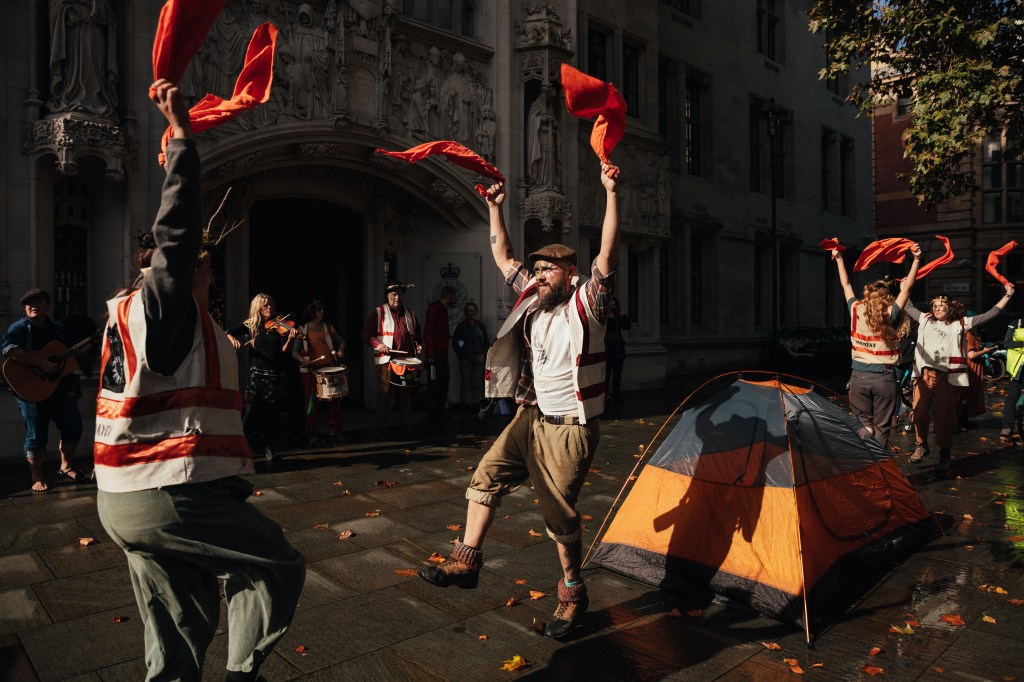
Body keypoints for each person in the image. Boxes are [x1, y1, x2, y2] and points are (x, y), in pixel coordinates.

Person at [93, 79, 304, 681]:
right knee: (275, 566)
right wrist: (183, 139)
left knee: (178, 619)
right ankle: (242, 676)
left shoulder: (130, 315)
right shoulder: (167, 308)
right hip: (168, 493)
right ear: (192, 268)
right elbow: (178, 237)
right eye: (199, 266)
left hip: (124, 498)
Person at [419, 161, 620, 640]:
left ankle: (573, 592)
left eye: (549, 269)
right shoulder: (533, 300)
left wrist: (610, 192)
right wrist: (494, 209)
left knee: (558, 518)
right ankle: (466, 563)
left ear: (571, 273)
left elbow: (608, 253)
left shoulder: (587, 304)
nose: (539, 274)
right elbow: (503, 256)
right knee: (484, 476)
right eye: (539, 269)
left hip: (570, 427)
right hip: (530, 418)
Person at [905, 282, 1015, 473]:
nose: (938, 309)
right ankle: (921, 444)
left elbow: (991, 314)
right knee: (919, 413)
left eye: (942, 306)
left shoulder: (962, 323)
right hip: (924, 375)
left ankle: (944, 453)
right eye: (935, 306)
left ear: (950, 308)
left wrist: (1008, 295)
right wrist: (906, 285)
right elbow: (907, 306)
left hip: (948, 378)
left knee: (944, 417)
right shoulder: (924, 319)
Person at [832, 244, 921, 449]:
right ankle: (880, 467)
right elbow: (907, 289)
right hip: (885, 378)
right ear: (886, 298)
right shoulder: (891, 313)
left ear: (867, 295)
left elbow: (845, 285)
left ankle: (865, 458)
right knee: (882, 428)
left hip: (858, 377)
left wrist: (839, 259)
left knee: (865, 425)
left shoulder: (855, 309)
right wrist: (916, 259)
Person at [2, 288, 86, 491]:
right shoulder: (20, 327)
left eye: (38, 301)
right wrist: (41, 364)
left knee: (73, 428)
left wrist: (86, 350)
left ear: (47, 305)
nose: (33, 305)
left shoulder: (58, 329)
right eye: (29, 302)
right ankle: (36, 477)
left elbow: (69, 357)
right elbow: (9, 350)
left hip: (60, 389)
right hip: (32, 391)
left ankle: (65, 468)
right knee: (36, 435)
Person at [227, 294, 301, 460]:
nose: (270, 308)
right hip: (257, 373)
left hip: (275, 373)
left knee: (270, 412)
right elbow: (228, 332)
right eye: (266, 305)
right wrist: (233, 340)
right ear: (258, 308)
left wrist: (289, 340)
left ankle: (269, 447)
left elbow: (282, 352)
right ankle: (237, 446)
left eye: (272, 305)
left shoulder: (280, 325)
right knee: (250, 410)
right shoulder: (251, 325)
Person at [362, 281, 423, 439]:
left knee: (405, 395)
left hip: (406, 361)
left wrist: (419, 345)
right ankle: (380, 431)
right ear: (388, 296)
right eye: (394, 295)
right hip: (386, 361)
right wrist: (378, 344)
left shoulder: (410, 313)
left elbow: (417, 335)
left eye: (400, 294)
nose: (397, 297)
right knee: (385, 395)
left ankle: (407, 428)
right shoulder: (379, 312)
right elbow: (366, 334)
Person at [294, 299, 345, 446]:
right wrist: (303, 360)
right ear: (313, 313)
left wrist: (341, 350)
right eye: (320, 310)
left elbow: (341, 341)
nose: (323, 312)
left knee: (333, 402)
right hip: (310, 372)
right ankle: (312, 434)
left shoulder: (328, 327)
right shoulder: (302, 330)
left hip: (328, 369)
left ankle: (335, 432)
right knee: (311, 404)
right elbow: (294, 352)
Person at [424, 286, 456, 421]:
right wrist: (430, 354)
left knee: (443, 381)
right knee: (434, 383)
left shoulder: (441, 310)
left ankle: (440, 411)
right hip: (436, 354)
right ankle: (433, 413)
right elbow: (428, 332)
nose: (454, 299)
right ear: (449, 296)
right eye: (453, 296)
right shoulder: (435, 309)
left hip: (441, 352)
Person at [452, 301, 489, 413]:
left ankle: (476, 405)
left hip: (478, 358)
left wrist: (483, 352)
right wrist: (462, 354)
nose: (471, 313)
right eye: (469, 311)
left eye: (473, 311)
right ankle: (464, 405)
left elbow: (486, 341)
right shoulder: (462, 326)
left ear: (476, 312)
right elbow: (456, 341)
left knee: (476, 383)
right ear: (466, 312)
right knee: (465, 383)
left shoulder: (480, 326)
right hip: (466, 359)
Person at [956, 323, 991, 431]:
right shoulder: (969, 335)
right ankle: (962, 423)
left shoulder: (968, 334)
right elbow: (971, 355)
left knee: (966, 396)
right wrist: (984, 351)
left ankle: (963, 422)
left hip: (970, 369)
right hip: (971, 369)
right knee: (966, 396)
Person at [604, 297, 631, 406]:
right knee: (605, 374)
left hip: (617, 348)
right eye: (611, 305)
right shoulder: (603, 317)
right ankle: (605, 395)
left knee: (617, 374)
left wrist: (624, 316)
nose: (612, 307)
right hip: (606, 348)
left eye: (614, 305)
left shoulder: (618, 317)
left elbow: (627, 327)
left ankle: (616, 395)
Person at [1000, 314, 1023, 440]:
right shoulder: (1016, 323)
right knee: (1013, 396)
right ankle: (1007, 426)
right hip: (1019, 367)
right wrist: (1022, 343)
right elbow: (1007, 343)